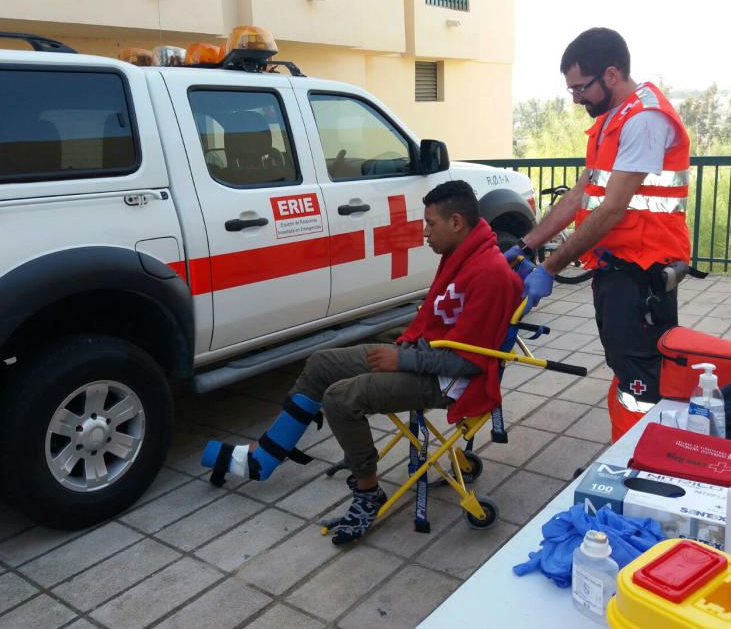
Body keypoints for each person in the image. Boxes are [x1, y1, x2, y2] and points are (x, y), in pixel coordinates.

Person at [202, 180, 522, 544]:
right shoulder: (462, 254)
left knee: (340, 398)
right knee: (321, 362)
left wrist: (402, 359)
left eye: (430, 224)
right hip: (424, 354)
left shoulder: (489, 274)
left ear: (456, 222)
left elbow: (469, 361)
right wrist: (404, 352)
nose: (424, 233)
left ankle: (369, 494)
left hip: (447, 381)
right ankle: (266, 456)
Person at [508, 27, 691, 442]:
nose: (575, 99)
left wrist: (551, 268)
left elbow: (612, 208)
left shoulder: (644, 119)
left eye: (580, 88)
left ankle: (637, 467)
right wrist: (526, 246)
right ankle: (624, 456)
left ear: (611, 74)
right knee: (625, 367)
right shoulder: (614, 117)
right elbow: (581, 196)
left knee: (640, 380)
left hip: (643, 270)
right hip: (618, 268)